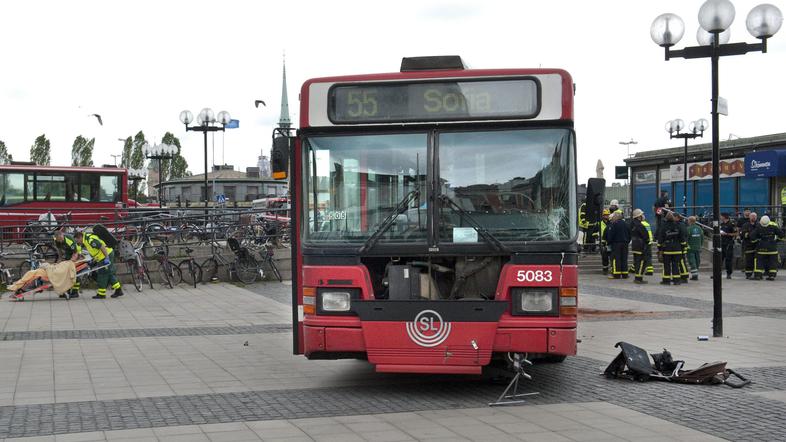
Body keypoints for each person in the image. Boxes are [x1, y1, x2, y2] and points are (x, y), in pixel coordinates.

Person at [75, 230, 123, 299]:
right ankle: (118, 290)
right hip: (102, 256)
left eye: (77, 241)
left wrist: (107, 258)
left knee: (102, 274)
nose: (77, 243)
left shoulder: (90, 240)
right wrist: (94, 260)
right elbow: (95, 251)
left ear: (80, 237)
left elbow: (102, 247)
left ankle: (101, 294)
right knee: (108, 273)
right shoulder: (86, 240)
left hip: (105, 255)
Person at [751, 215, 783, 281]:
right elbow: (782, 235)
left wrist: (757, 241)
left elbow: (752, 237)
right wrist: (776, 240)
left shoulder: (758, 227)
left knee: (759, 261)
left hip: (761, 248)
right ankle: (772, 276)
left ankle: (758, 275)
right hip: (772, 248)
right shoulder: (774, 226)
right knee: (772, 262)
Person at [657, 211, 685, 285]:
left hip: (667, 249)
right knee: (676, 265)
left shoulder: (664, 226)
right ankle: (677, 280)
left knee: (667, 265)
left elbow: (660, 238)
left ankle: (666, 280)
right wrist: (683, 248)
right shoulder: (678, 225)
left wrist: (659, 248)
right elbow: (682, 238)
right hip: (677, 248)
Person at [53, 230, 82, 298]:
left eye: (61, 239)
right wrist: (60, 259)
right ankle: (67, 291)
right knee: (65, 274)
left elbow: (75, 253)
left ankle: (75, 292)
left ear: (62, 235)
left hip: (77, 253)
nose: (60, 241)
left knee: (74, 272)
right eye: (58, 240)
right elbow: (59, 250)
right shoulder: (56, 240)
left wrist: (71, 261)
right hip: (68, 253)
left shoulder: (69, 241)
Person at [606, 211, 630, 279]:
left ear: (615, 217)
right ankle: (625, 274)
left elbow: (611, 235)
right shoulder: (626, 224)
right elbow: (630, 234)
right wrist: (627, 241)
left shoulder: (614, 224)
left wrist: (609, 242)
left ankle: (616, 274)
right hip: (625, 243)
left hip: (616, 244)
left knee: (616, 259)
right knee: (624, 258)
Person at [629, 209, 649, 284]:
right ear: (638, 216)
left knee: (637, 262)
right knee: (642, 262)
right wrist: (647, 242)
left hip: (635, 245)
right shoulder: (639, 225)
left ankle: (637, 277)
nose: (642, 216)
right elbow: (645, 236)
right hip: (641, 245)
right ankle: (639, 278)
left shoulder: (632, 224)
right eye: (641, 215)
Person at [740, 212, 759, 279]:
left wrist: (750, 234)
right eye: (752, 216)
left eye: (755, 216)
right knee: (749, 260)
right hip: (748, 245)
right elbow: (743, 234)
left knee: (758, 261)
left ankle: (758, 274)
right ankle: (748, 274)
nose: (753, 217)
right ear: (749, 217)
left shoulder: (759, 225)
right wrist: (752, 235)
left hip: (757, 245)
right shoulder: (745, 225)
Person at [719, 212, 737, 279]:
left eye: (721, 216)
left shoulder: (731, 224)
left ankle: (728, 273)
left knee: (728, 259)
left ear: (724, 216)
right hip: (721, 243)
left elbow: (736, 233)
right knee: (719, 259)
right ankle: (717, 273)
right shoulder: (721, 224)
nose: (720, 217)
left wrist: (726, 234)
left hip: (729, 244)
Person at [674, 212, 690, 283]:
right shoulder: (682, 224)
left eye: (674, 217)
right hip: (682, 245)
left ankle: (684, 277)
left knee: (682, 261)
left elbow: (683, 236)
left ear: (677, 217)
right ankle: (683, 276)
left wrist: (683, 245)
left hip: (681, 246)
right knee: (681, 261)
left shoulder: (680, 225)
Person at [686, 216, 703, 281]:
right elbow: (702, 237)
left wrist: (686, 245)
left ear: (690, 221)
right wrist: (701, 245)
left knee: (692, 261)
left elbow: (686, 238)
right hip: (698, 247)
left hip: (690, 248)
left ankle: (694, 276)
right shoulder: (699, 228)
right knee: (697, 261)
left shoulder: (688, 229)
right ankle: (695, 273)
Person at [599, 209, 610, 274]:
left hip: (610, 242)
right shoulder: (599, 224)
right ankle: (605, 269)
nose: (606, 216)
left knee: (612, 256)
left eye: (607, 215)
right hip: (602, 242)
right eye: (605, 215)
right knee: (604, 257)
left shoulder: (611, 223)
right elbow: (595, 232)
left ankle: (613, 269)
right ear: (603, 216)